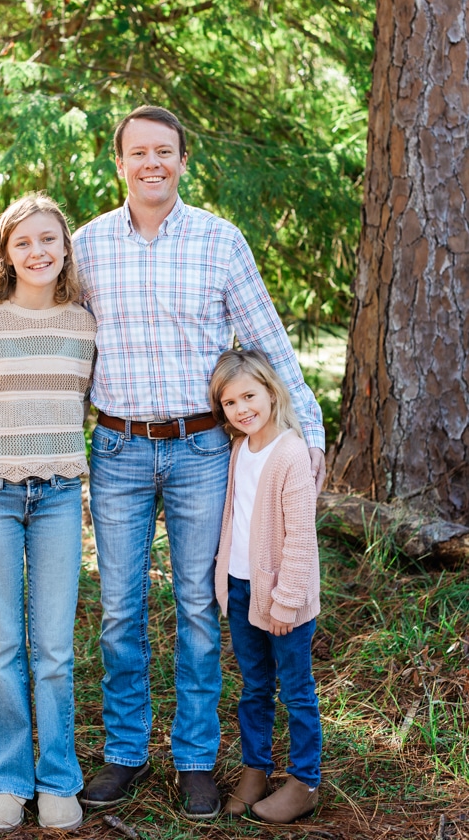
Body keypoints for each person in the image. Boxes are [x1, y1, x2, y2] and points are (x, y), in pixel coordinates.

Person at [0, 105, 325, 821]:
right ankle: (123, 753)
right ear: (118, 164)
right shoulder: (86, 248)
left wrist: (312, 430)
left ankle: (194, 760)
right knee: (118, 611)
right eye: (137, 153)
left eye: (164, 152)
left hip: (201, 448)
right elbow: (40, 326)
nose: (151, 163)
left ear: (181, 160)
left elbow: (266, 340)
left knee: (198, 610)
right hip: (114, 449)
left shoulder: (219, 241)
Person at [0, 194, 96, 835]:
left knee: (54, 649)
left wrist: (47, 448)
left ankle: (58, 779)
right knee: (4, 646)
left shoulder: (84, 323)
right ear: (5, 253)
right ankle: (6, 780)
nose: (38, 252)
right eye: (23, 242)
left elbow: (83, 402)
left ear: (65, 250)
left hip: (60, 495)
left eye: (49, 241)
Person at [210, 348, 322, 824]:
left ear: (272, 393)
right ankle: (256, 770)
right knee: (254, 687)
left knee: (295, 689)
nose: (241, 409)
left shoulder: (291, 452)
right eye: (229, 403)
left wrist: (286, 601)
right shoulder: (240, 448)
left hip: (283, 597)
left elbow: (300, 536)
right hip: (240, 589)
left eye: (249, 396)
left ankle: (304, 781)